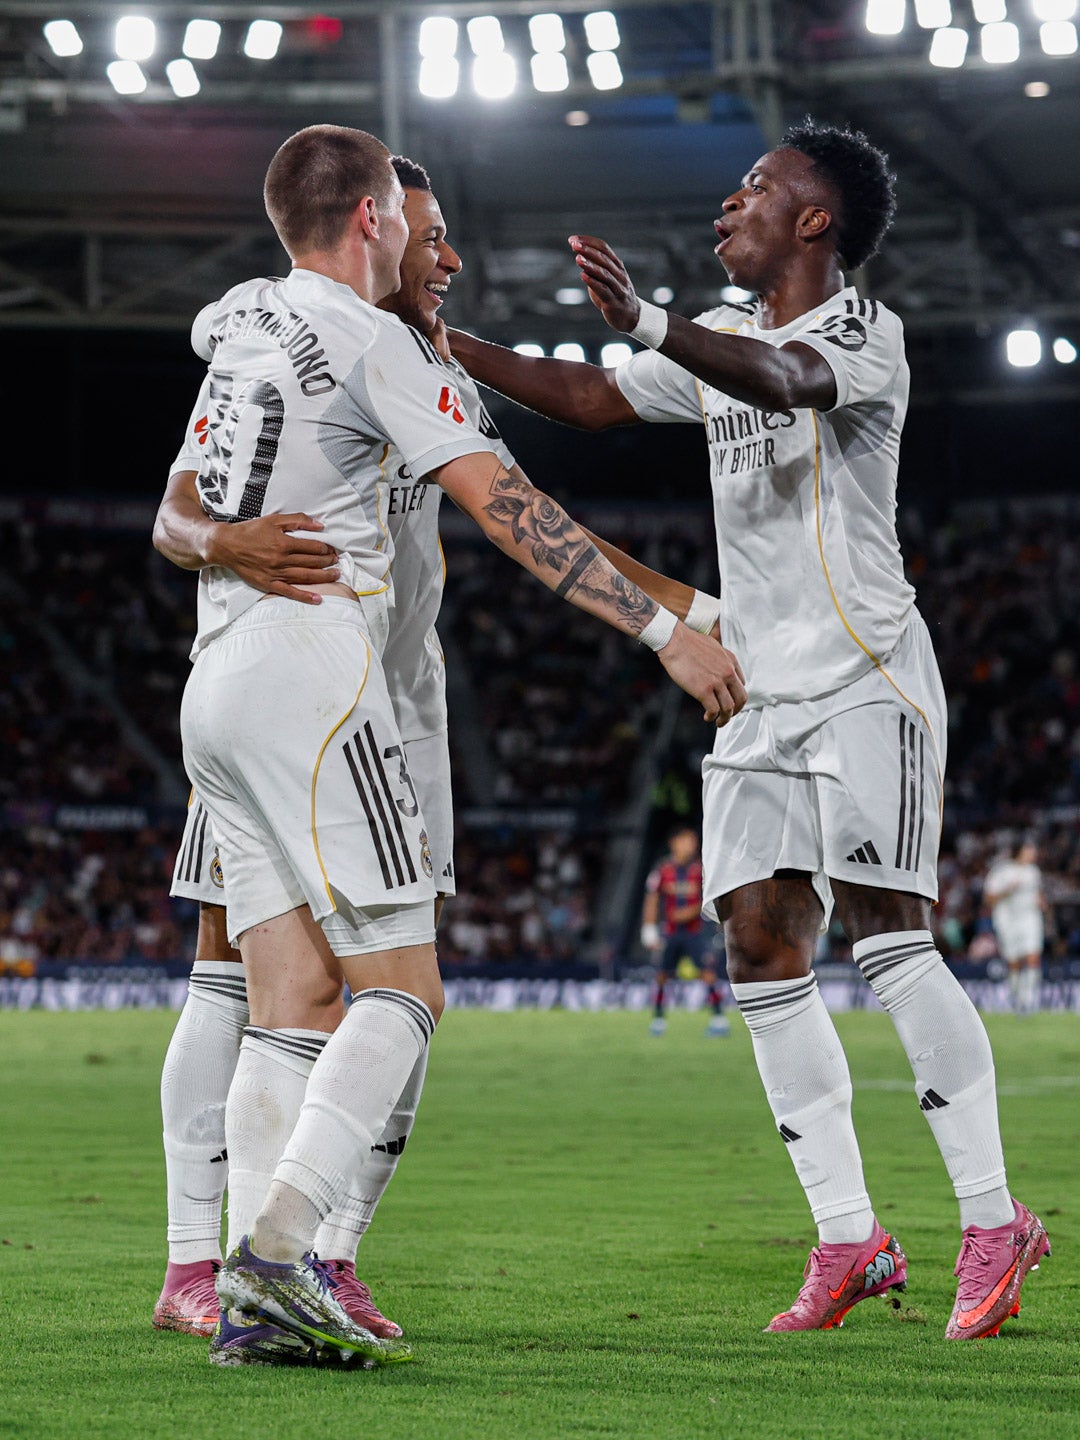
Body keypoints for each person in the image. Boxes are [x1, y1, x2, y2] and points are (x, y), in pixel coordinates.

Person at [446, 119, 1050, 1339]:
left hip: (867, 673)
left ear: (815, 221)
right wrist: (443, 340)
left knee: (888, 938)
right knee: (760, 947)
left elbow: (785, 382)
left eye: (756, 189)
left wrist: (650, 320)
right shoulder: (722, 341)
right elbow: (593, 400)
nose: (730, 204)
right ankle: (849, 1238)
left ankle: (993, 1221)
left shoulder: (863, 333)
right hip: (757, 689)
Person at [157, 123, 746, 1368]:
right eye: (419, 226)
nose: (447, 257)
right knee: (404, 991)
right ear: (373, 217)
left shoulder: (249, 323)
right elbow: (515, 512)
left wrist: (696, 610)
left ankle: (256, 1307)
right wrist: (665, 636)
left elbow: (188, 494)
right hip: (318, 679)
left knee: (291, 1002)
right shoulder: (371, 342)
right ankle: (277, 1253)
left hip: (219, 680)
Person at [640, 824, 729, 1037]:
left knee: (707, 974)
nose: (692, 845)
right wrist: (648, 928)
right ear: (674, 843)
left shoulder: (700, 870)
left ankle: (718, 1018)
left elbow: (708, 899)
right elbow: (652, 899)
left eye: (693, 841)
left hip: (694, 932)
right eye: (687, 840)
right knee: (662, 975)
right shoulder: (662, 870)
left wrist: (690, 912)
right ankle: (658, 1019)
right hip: (670, 933)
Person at [984, 839, 1046, 1015]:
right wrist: (1008, 890)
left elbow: (1038, 893)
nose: (1033, 853)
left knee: (1033, 956)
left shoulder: (1034, 872)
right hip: (1007, 920)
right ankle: (1017, 1000)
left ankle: (1029, 1000)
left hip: (1030, 917)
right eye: (1029, 849)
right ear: (1019, 851)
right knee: (1014, 962)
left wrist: (1041, 902)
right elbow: (988, 899)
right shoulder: (1002, 871)